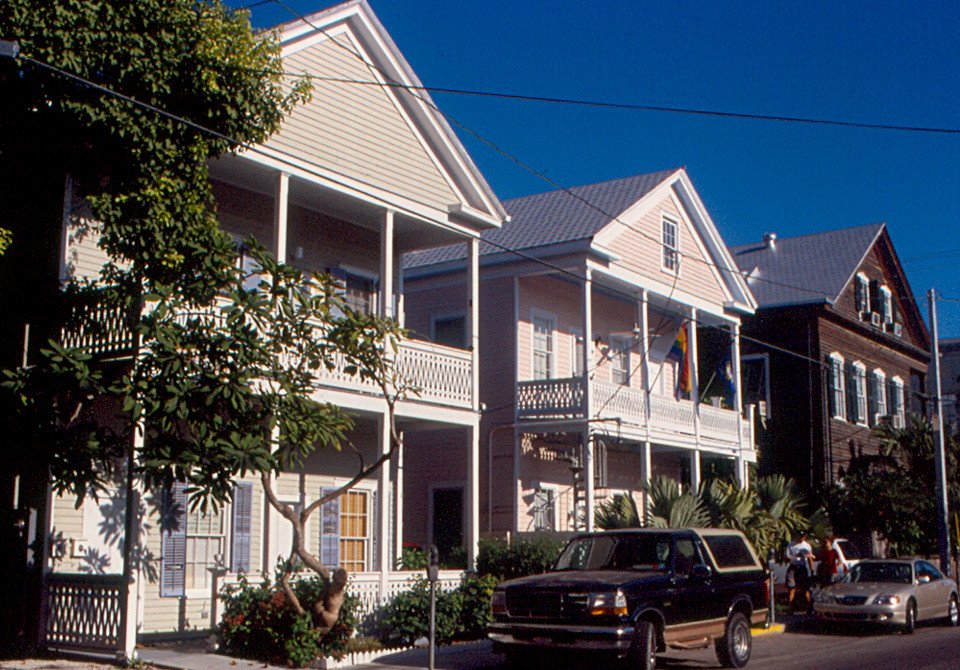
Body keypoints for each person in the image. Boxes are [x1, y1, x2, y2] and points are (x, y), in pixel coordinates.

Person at [785, 531, 813, 613]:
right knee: (791, 588)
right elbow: (786, 556)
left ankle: (808, 607)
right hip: (793, 567)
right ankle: (791, 608)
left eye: (803, 536)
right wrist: (793, 558)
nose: (801, 538)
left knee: (805, 588)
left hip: (802, 567)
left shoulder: (807, 546)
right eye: (800, 536)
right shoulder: (791, 545)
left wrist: (812, 570)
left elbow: (809, 558)